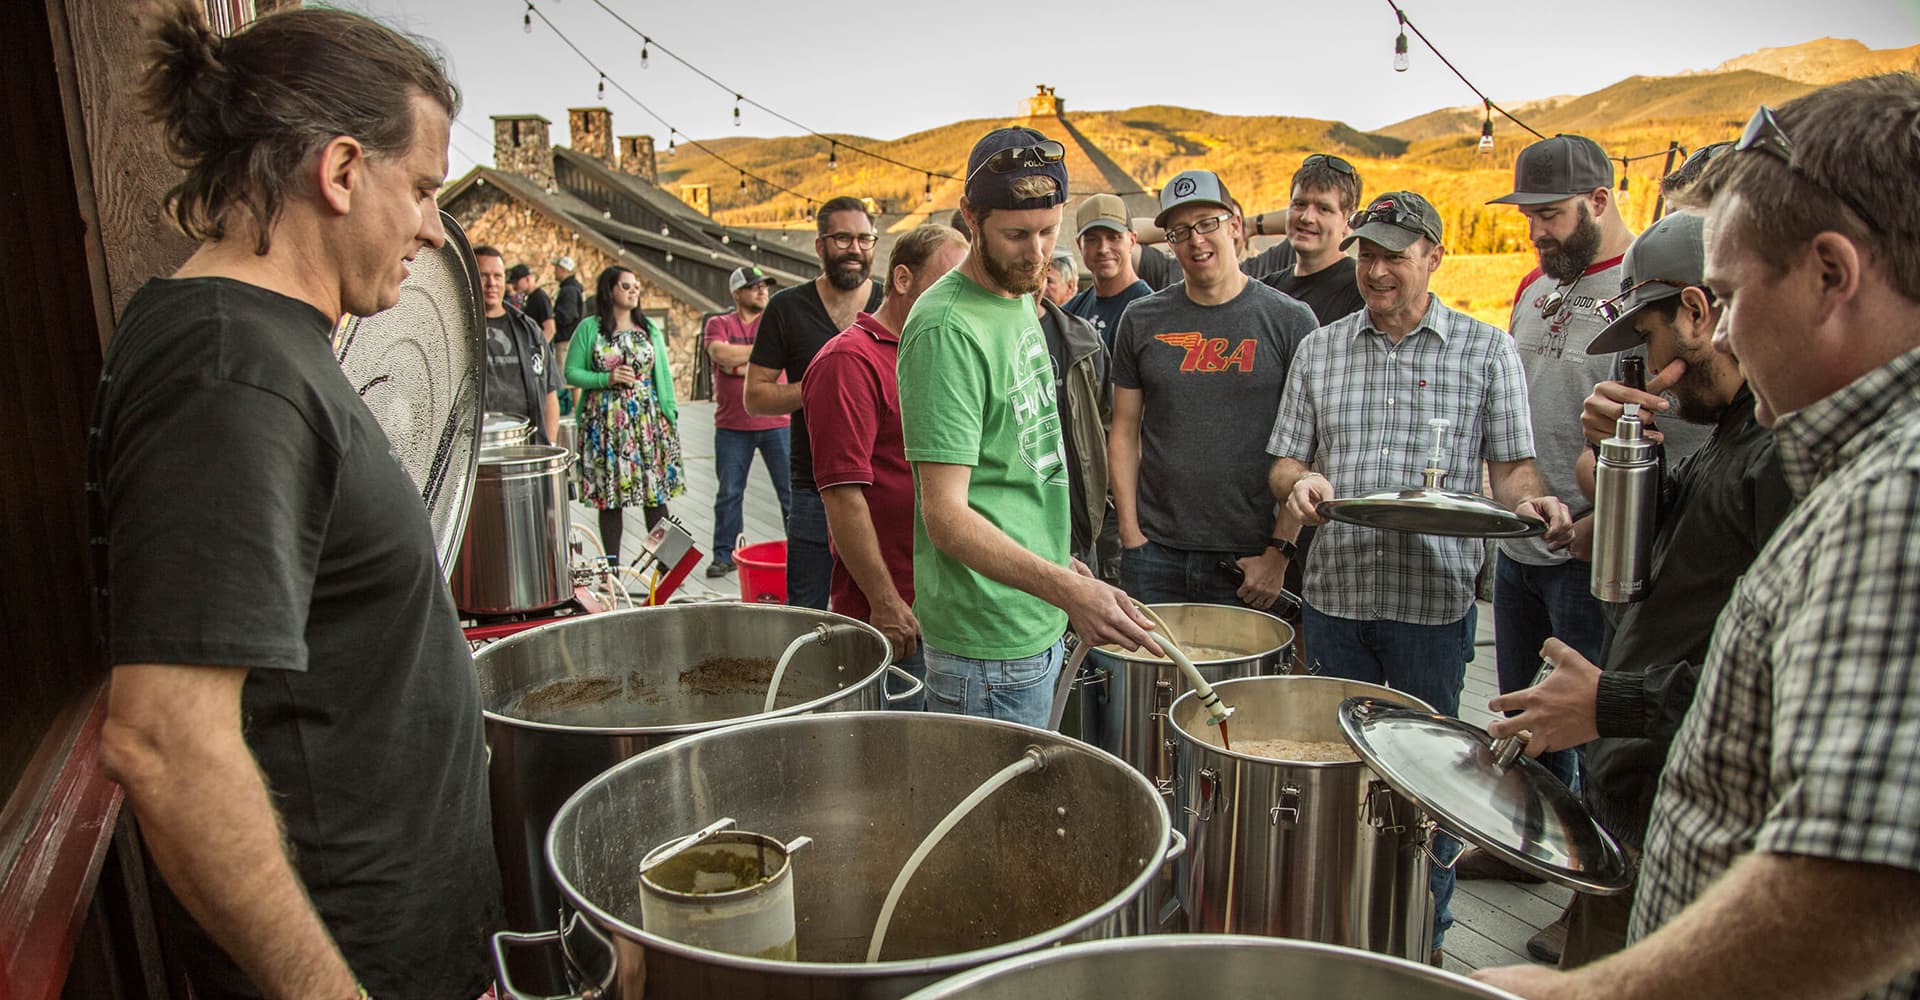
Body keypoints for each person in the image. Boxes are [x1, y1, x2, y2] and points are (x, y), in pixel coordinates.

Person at [1476, 75, 1920, 1000]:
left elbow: (1861, 880)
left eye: (1730, 295)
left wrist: (1582, 993)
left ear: (1832, 276)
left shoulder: (1894, 490)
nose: (1718, 332)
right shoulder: (1811, 448)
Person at [90, 5, 500, 997]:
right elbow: (164, 741)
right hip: (355, 962)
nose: (431, 229)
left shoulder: (260, 347)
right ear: (343, 170)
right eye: (422, 190)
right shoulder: (231, 374)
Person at [1479, 210, 1792, 969]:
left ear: (1698, 310)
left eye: (1649, 340)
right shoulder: (1729, 433)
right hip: (1637, 801)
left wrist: (1608, 702)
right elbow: (1674, 561)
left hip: (1697, 820)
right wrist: (1618, 453)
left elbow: (1778, 685)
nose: (1654, 372)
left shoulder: (1784, 456)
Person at [1268, 190, 1574, 962]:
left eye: (1394, 256)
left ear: (1434, 257)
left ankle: (1422, 944)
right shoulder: (1322, 347)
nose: (1375, 270)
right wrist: (1298, 486)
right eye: (1367, 253)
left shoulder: (1485, 349)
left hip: (1432, 606)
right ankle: (1337, 935)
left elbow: (1511, 469)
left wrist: (1533, 501)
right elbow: (1286, 461)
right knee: (1337, 774)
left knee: (1426, 788)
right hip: (1336, 596)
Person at [897, 126, 1158, 726]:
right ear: (970, 216)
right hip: (985, 649)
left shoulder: (1018, 293)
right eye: (1015, 235)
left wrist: (1054, 564)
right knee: (994, 819)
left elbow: (1012, 463)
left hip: (1034, 610)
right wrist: (1064, 591)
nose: (1036, 254)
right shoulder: (947, 329)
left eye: (1048, 232)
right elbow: (947, 516)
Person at [1467, 134, 1637, 807]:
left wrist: (1609, 523)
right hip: (1521, 541)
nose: (1536, 231)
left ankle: (1588, 896)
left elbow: (1680, 436)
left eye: (1551, 214)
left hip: (1599, 553)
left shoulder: (1643, 286)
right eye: (1528, 216)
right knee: (1523, 716)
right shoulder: (1534, 287)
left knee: (1594, 733)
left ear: (1599, 200)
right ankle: (1525, 847)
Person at [1109, 169, 1317, 612]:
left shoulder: (1291, 321)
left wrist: (1280, 554)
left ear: (1235, 226)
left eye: (1207, 223)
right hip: (1156, 554)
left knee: (1241, 684)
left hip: (1248, 560)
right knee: (1154, 682)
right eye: (1180, 231)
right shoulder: (1141, 319)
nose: (1195, 241)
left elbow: (1307, 446)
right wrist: (1131, 534)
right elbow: (1123, 430)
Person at [803, 225, 969, 708]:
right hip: (893, 613)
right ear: (901, 279)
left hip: (944, 602)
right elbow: (842, 495)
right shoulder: (849, 361)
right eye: (947, 283)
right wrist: (884, 601)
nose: (957, 299)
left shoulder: (935, 350)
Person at [743, 196, 884, 609]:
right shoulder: (787, 308)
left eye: (864, 239)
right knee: (809, 610)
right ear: (820, 245)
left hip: (887, 484)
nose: (855, 249)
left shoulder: (892, 305)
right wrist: (826, 386)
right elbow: (756, 396)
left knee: (887, 608)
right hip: (813, 488)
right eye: (842, 238)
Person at [565, 264, 683, 564]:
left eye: (636, 287)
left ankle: (668, 566)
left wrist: (669, 415)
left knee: (655, 495)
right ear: (610, 290)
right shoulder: (590, 328)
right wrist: (607, 378)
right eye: (626, 286)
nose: (634, 292)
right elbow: (571, 372)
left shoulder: (648, 328)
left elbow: (664, 376)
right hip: (604, 423)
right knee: (610, 499)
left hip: (647, 421)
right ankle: (612, 569)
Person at [703, 265, 792, 577]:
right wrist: (761, 357)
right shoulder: (718, 322)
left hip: (777, 421)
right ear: (737, 293)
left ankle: (801, 551)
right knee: (729, 492)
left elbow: (741, 362)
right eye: (754, 287)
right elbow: (720, 355)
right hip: (731, 425)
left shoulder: (775, 320)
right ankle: (723, 555)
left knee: (790, 492)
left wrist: (742, 363)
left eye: (764, 286)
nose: (762, 291)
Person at [1037, 255, 1115, 580]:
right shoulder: (972, 336)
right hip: (1006, 543)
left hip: (1076, 537)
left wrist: (1105, 525)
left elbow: (1109, 432)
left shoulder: (1083, 341)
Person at [1259, 153, 1369, 325]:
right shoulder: (1266, 288)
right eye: (1299, 204)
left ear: (1349, 222)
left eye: (1324, 209)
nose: (1307, 217)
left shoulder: (1363, 291)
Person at [475, 246, 561, 444]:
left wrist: (549, 448)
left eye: (497, 276)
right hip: (479, 449)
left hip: (525, 445)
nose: (492, 284)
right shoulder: (456, 331)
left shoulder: (529, 330)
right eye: (483, 276)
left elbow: (550, 393)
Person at [1063, 193, 1153, 353]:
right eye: (1092, 239)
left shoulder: (1149, 311)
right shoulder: (1070, 312)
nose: (1103, 249)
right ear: (1079, 245)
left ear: (1132, 241)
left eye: (1114, 238)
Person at [511, 261, 556, 341]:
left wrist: (538, 348)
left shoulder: (540, 298)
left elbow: (550, 329)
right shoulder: (529, 298)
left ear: (527, 279)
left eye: (516, 282)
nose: (514, 286)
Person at [551, 253, 585, 345]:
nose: (554, 272)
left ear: (562, 270)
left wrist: (552, 316)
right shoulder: (573, 289)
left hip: (565, 341)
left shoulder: (569, 290)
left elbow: (567, 316)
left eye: (556, 269)